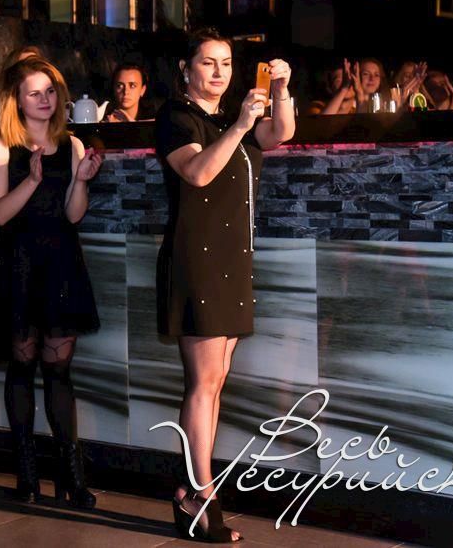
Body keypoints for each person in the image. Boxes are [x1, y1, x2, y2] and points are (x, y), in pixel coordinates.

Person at [155, 28, 295, 542]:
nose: (219, 72)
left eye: (227, 63)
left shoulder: (226, 118)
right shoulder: (177, 117)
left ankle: (193, 489)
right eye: (208, 62)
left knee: (215, 382)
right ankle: (199, 492)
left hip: (233, 259)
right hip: (197, 260)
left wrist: (280, 89)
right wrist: (239, 125)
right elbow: (197, 173)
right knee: (203, 381)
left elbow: (281, 133)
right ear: (187, 69)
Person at [0, 57, 104, 509]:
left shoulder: (71, 143)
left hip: (60, 265)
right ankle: (27, 476)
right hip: (18, 264)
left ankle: (72, 478)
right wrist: (32, 181)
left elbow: (73, 214)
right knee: (22, 367)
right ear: (16, 99)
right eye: (34, 92)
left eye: (50, 91)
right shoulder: (0, 146)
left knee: (59, 371)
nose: (44, 99)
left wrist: (82, 181)